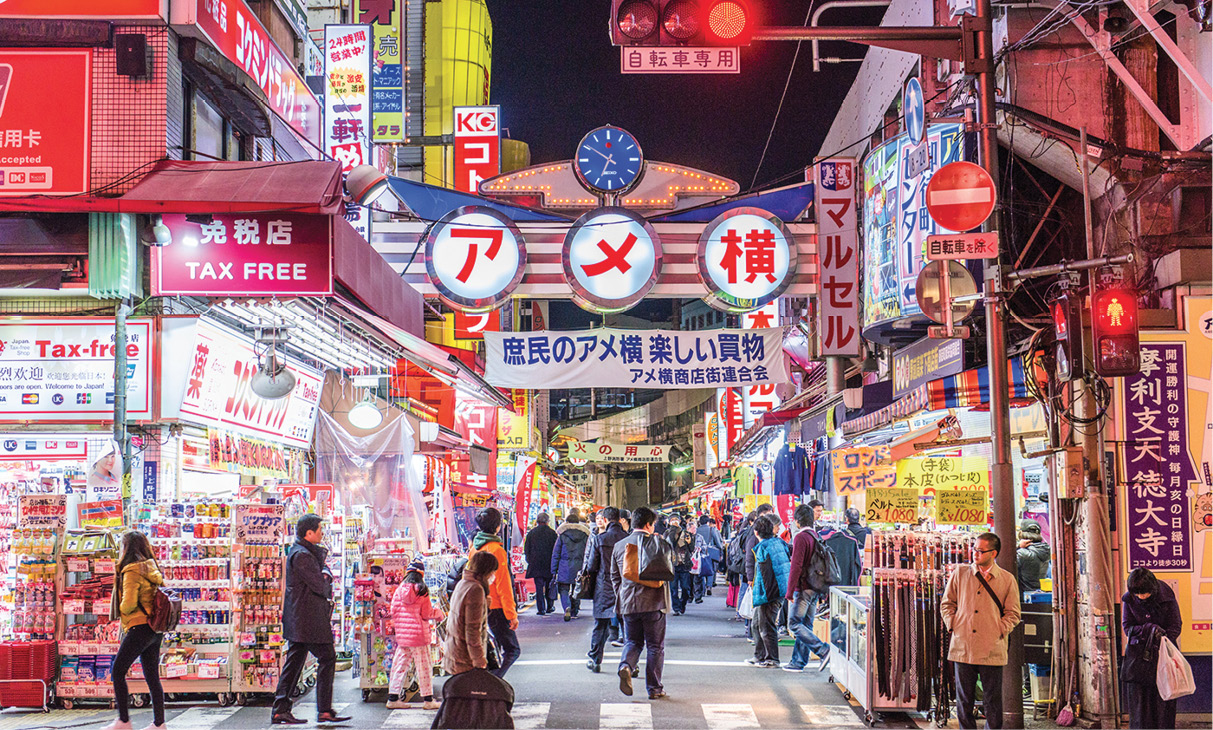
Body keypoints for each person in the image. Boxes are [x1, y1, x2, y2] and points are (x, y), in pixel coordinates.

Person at [272, 515, 349, 725]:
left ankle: (282, 709)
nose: (322, 533)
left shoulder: (301, 553)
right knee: (327, 657)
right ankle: (323, 710)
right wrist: (326, 576)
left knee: (295, 662)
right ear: (309, 533)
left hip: (302, 618)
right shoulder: (303, 556)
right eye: (320, 529)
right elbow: (319, 585)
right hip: (308, 619)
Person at [940, 533, 1021, 730]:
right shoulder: (960, 573)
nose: (975, 554)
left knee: (992, 699)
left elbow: (1013, 613)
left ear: (993, 553)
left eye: (981, 551)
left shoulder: (1007, 579)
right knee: (964, 699)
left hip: (992, 647)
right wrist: (953, 624)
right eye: (974, 549)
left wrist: (999, 630)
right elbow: (947, 603)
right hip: (963, 645)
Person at [103, 530, 166, 730]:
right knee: (152, 677)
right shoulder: (151, 567)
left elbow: (129, 604)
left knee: (118, 671)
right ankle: (159, 724)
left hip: (138, 626)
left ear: (126, 548)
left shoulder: (131, 570)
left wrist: (117, 608)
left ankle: (123, 721)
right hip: (155, 629)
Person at [609, 506, 671, 700]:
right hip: (653, 603)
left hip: (628, 603)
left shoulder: (620, 546)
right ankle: (654, 688)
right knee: (655, 646)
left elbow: (614, 577)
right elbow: (667, 572)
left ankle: (626, 666)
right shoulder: (658, 543)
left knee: (632, 641)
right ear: (648, 524)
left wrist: (623, 595)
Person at [1121, 567, 1183, 729]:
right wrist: (1149, 629)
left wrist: (1160, 639)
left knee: (1163, 702)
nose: (1141, 597)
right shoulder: (1130, 599)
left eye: (1144, 593)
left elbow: (1175, 626)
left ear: (1152, 589)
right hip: (1138, 659)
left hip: (1163, 657)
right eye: (1137, 594)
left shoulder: (1166, 597)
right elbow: (1127, 627)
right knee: (1140, 705)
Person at [386, 559, 445, 710]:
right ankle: (428, 700)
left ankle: (392, 698)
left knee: (399, 667)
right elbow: (426, 614)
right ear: (421, 574)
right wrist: (439, 613)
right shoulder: (422, 590)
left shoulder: (399, 591)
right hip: (419, 636)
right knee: (424, 668)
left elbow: (393, 611)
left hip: (403, 637)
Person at [469, 507, 520, 678]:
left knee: (493, 648)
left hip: (480, 603)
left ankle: (490, 680)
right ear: (498, 526)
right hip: (496, 606)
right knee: (512, 650)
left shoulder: (475, 548)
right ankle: (494, 682)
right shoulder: (497, 551)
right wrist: (511, 614)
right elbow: (503, 585)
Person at [785, 504, 830, 672]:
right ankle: (798, 662)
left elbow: (796, 566)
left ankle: (823, 649)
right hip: (815, 587)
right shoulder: (815, 535)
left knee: (794, 624)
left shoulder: (800, 538)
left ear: (797, 521)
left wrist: (789, 591)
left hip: (803, 588)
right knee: (806, 624)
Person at [587, 507, 628, 672]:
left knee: (600, 625)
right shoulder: (628, 538)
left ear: (605, 520)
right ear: (619, 519)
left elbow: (591, 566)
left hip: (604, 586)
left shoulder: (599, 539)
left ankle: (595, 660)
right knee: (627, 625)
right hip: (625, 586)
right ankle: (630, 663)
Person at [444, 551, 499, 675]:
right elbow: (472, 630)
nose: (493, 575)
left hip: (455, 652)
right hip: (465, 658)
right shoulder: (475, 590)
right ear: (486, 571)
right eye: (493, 571)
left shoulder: (463, 583)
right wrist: (479, 661)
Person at [747, 515, 790, 668]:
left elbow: (766, 575)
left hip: (769, 593)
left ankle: (772, 659)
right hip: (778, 590)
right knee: (758, 624)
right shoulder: (779, 543)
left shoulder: (763, 548)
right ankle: (759, 656)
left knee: (767, 626)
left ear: (756, 532)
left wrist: (767, 597)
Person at [551, 509, 592, 621]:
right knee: (577, 587)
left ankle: (566, 607)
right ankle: (574, 611)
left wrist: (553, 571)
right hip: (579, 565)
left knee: (563, 589)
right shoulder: (585, 535)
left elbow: (556, 554)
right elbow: (588, 552)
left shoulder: (562, 535)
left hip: (564, 565)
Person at [523, 513, 559, 616]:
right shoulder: (552, 533)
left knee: (538, 587)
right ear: (548, 521)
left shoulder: (532, 533)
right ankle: (550, 606)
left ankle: (541, 609)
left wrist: (530, 560)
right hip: (549, 564)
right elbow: (556, 550)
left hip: (536, 564)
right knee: (549, 585)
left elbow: (527, 549)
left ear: (537, 521)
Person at [666, 515, 695, 615]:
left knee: (686, 588)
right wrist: (673, 530)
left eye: (676, 520)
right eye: (672, 520)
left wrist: (690, 542)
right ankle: (676, 608)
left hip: (684, 564)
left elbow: (691, 549)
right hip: (672, 565)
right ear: (669, 522)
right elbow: (670, 544)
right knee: (673, 589)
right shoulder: (667, 533)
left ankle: (682, 604)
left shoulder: (686, 533)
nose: (674, 522)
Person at [1016, 520, 1051, 593]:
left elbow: (1004, 563)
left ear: (1021, 533)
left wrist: (1018, 546)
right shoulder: (1047, 550)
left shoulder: (1022, 553)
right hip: (1043, 595)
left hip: (1024, 597)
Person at [695, 515, 724, 597]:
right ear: (708, 522)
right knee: (710, 570)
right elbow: (718, 543)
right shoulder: (712, 530)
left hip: (700, 553)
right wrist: (721, 550)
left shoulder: (697, 530)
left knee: (701, 570)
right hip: (710, 553)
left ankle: (703, 588)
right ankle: (709, 587)